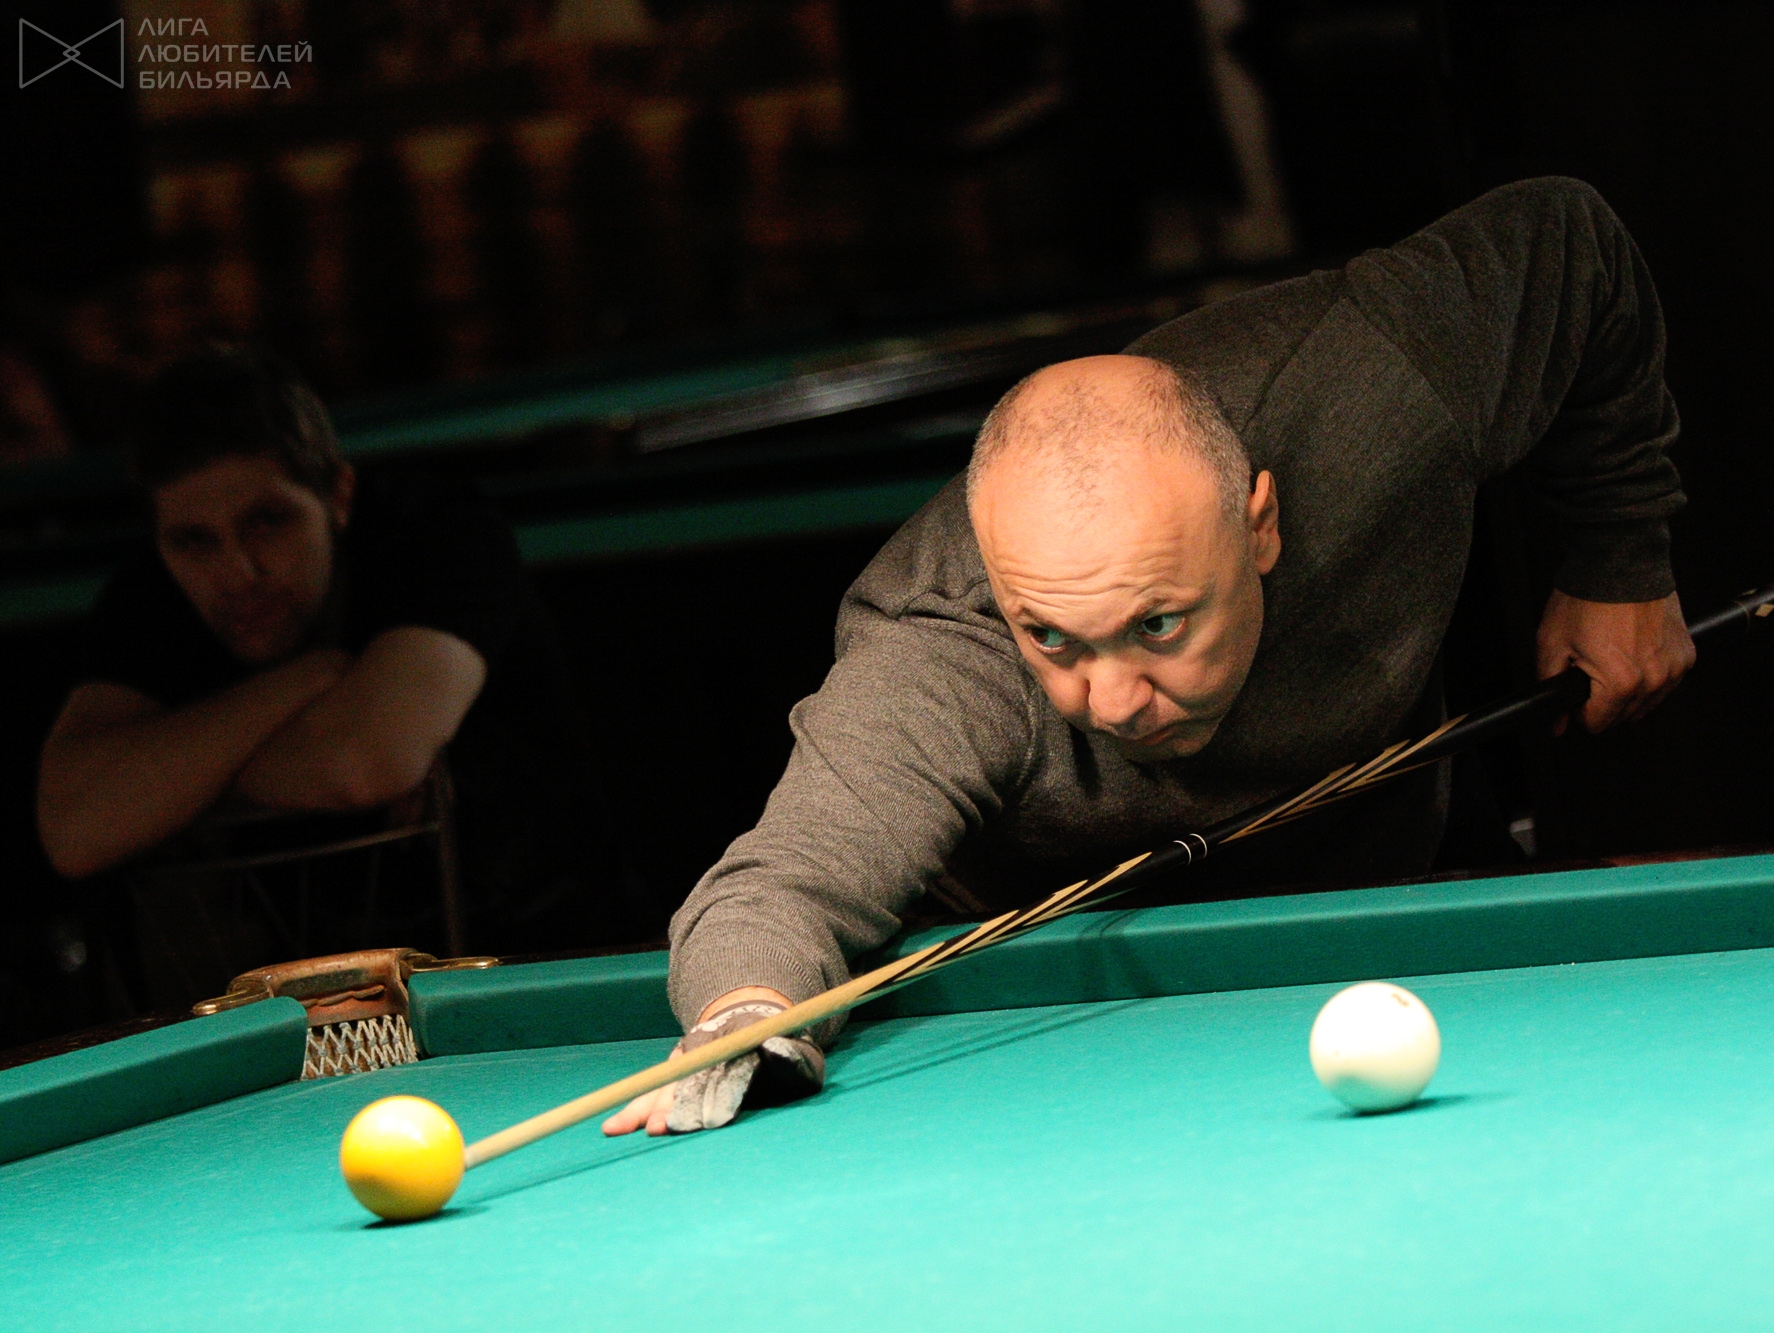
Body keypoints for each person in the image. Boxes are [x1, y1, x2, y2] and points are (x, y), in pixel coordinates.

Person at [603, 176, 1694, 1138]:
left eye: (1159, 625)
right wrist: (745, 1015)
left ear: (1258, 527)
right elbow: (782, 884)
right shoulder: (942, 651)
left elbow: (1570, 241)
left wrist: (1620, 558)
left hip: (1390, 892)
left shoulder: (1379, 383)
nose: (1115, 701)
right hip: (1052, 1023)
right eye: (1054, 640)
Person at [36, 346, 633, 966]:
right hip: (306, 1005)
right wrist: (309, 679)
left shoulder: (436, 529)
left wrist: (162, 791)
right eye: (195, 541)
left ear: (339, 496)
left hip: (554, 964)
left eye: (267, 521)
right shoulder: (153, 592)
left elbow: (364, 762)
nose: (237, 572)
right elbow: (74, 828)